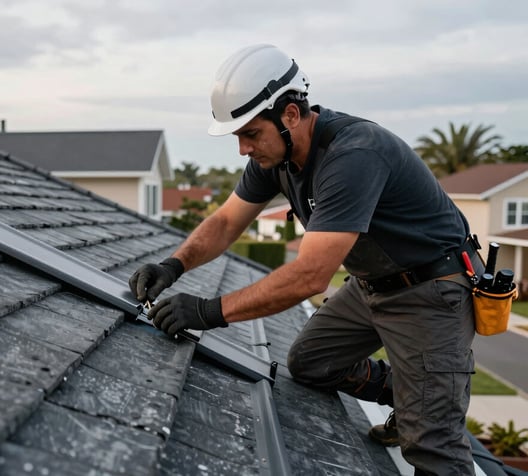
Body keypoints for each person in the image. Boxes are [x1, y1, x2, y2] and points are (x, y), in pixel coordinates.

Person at [129, 44, 481, 475]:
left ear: (290, 115)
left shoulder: (353, 155)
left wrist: (207, 311)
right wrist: (172, 265)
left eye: (250, 133)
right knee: (310, 364)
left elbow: (311, 275)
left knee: (433, 447)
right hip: (373, 284)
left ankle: (424, 406)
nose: (242, 149)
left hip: (431, 290)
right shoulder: (276, 155)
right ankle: (406, 391)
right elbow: (224, 223)